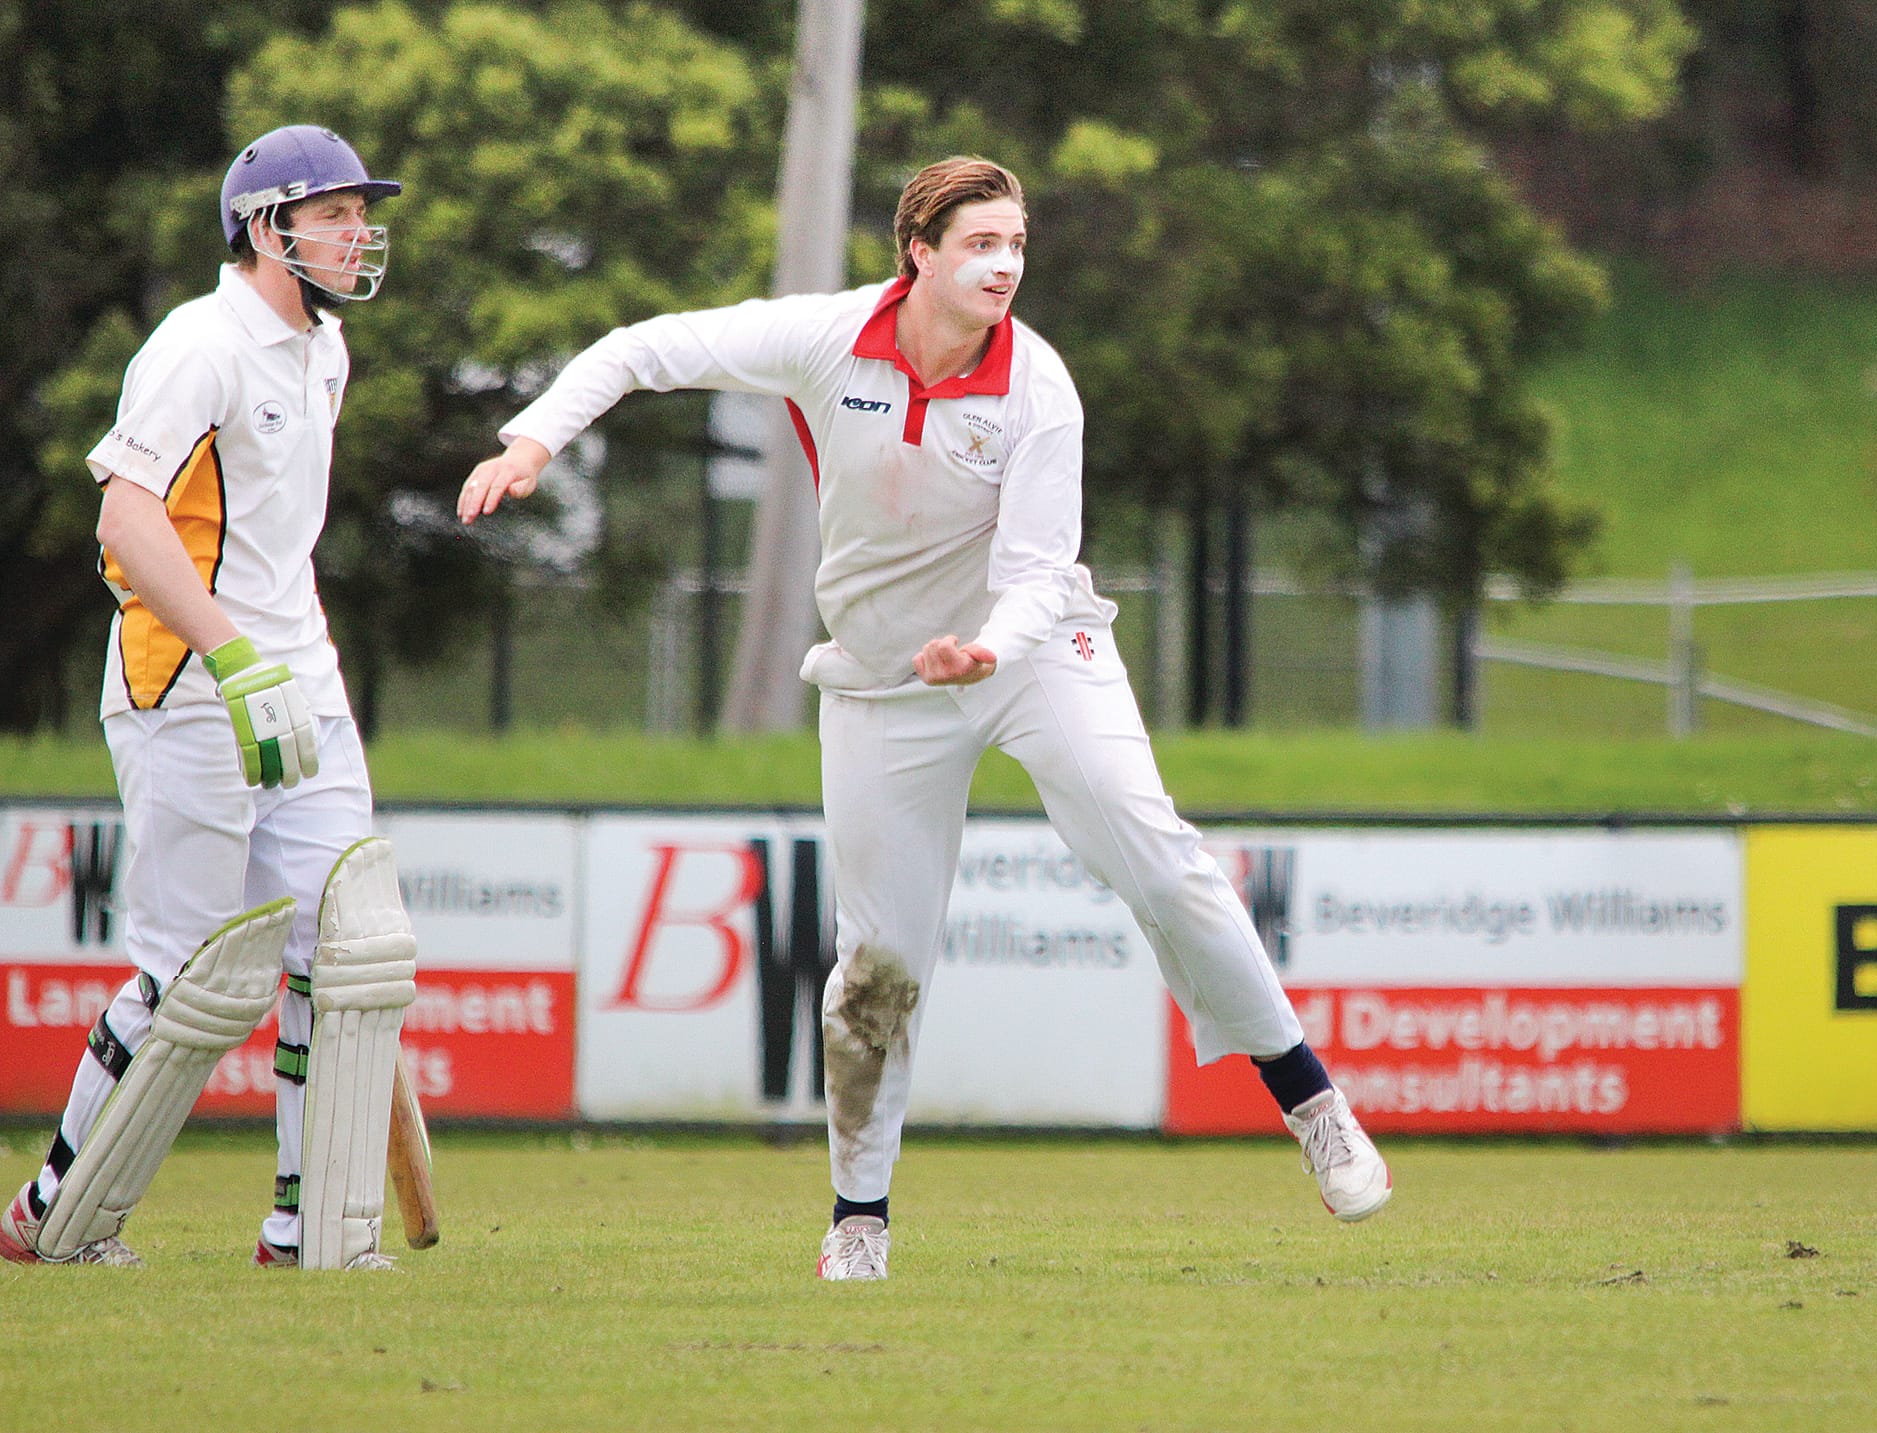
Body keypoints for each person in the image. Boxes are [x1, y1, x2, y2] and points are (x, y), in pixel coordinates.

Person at [458, 155, 1390, 1281]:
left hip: (1029, 650)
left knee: (1155, 852)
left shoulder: (1038, 386)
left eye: (1016, 245)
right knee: (878, 963)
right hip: (882, 677)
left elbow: (1041, 572)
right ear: (918, 254)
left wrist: (987, 648)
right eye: (979, 245)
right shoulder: (827, 338)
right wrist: (534, 438)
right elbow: (643, 349)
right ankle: (859, 1219)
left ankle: (1310, 1101)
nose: (1003, 266)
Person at [0, 126, 414, 1271]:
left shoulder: (323, 351)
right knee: (189, 974)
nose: (355, 231)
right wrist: (234, 660)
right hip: (188, 683)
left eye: (358, 212)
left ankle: (307, 1226)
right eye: (331, 212)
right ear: (266, 227)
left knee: (349, 948)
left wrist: (282, 664)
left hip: (304, 679)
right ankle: (55, 1210)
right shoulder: (199, 343)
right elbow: (125, 523)